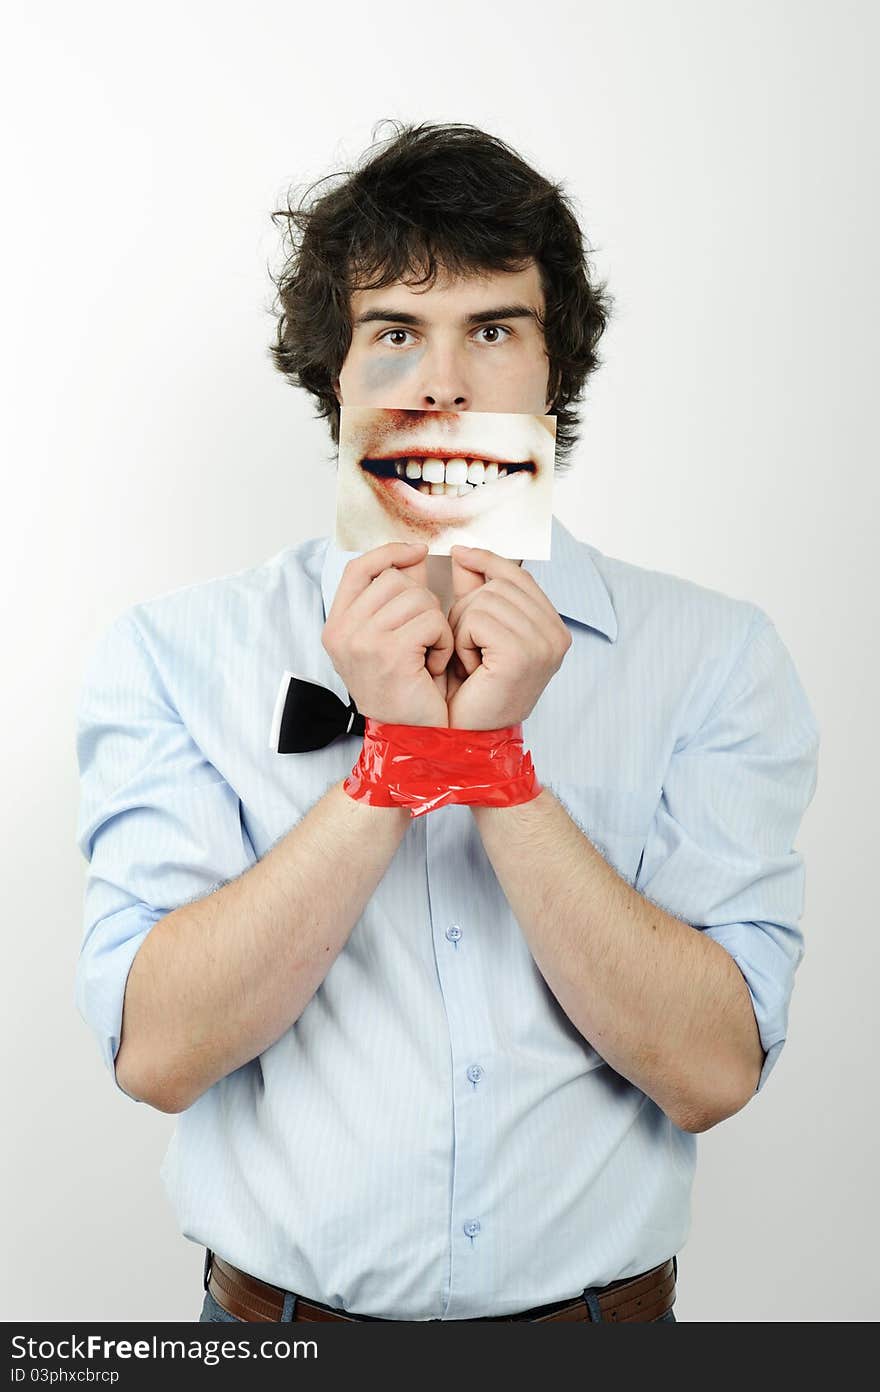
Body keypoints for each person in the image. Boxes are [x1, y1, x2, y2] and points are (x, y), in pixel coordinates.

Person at [74, 121, 820, 1325]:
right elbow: (157, 1057)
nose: (441, 383)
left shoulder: (715, 656)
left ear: (551, 369)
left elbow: (712, 1072)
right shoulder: (170, 654)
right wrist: (392, 767)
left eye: (492, 329)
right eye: (393, 333)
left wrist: (493, 769)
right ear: (337, 374)